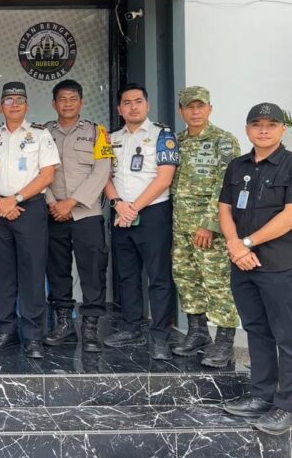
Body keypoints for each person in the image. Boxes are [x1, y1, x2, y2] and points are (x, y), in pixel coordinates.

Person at [220, 102, 292, 436]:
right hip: (243, 264)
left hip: (279, 265)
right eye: (257, 124)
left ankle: (286, 406)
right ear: (247, 129)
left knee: (287, 336)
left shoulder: (290, 164)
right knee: (257, 330)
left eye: (271, 124)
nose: (264, 130)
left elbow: (289, 215)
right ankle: (262, 396)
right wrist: (235, 246)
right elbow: (225, 208)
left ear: (283, 129)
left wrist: (246, 243)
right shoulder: (237, 166)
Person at [0, 81, 59, 358]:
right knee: (1, 273)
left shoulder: (39, 135)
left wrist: (15, 199)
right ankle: (6, 331)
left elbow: (47, 175)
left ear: (27, 105)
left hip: (30, 208)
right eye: (9, 100)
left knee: (32, 272)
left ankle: (33, 335)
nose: (14, 105)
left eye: (19, 100)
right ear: (0, 107)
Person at [103, 83, 179, 360]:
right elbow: (104, 176)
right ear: (119, 109)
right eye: (127, 102)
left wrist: (133, 208)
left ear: (147, 105)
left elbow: (164, 178)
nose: (133, 107)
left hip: (152, 214)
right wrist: (118, 205)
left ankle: (160, 336)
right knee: (127, 274)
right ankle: (131, 327)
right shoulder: (111, 139)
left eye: (138, 101)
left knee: (158, 276)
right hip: (121, 213)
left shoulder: (163, 135)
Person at [171, 86, 240, 367]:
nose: (195, 112)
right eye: (190, 107)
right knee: (187, 279)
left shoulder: (223, 141)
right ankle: (198, 332)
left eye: (200, 106)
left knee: (217, 282)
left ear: (210, 109)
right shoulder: (177, 141)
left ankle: (224, 342)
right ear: (181, 111)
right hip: (181, 225)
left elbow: (227, 186)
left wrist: (210, 224)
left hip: (210, 227)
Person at [43, 79, 112, 353]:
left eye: (73, 99)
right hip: (53, 213)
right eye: (62, 99)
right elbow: (39, 172)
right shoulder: (43, 133)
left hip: (87, 214)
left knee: (93, 271)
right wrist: (53, 203)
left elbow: (102, 171)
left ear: (81, 102)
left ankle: (91, 329)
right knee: (57, 270)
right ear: (54, 103)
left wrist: (71, 203)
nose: (67, 104)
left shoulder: (98, 133)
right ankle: (64, 326)